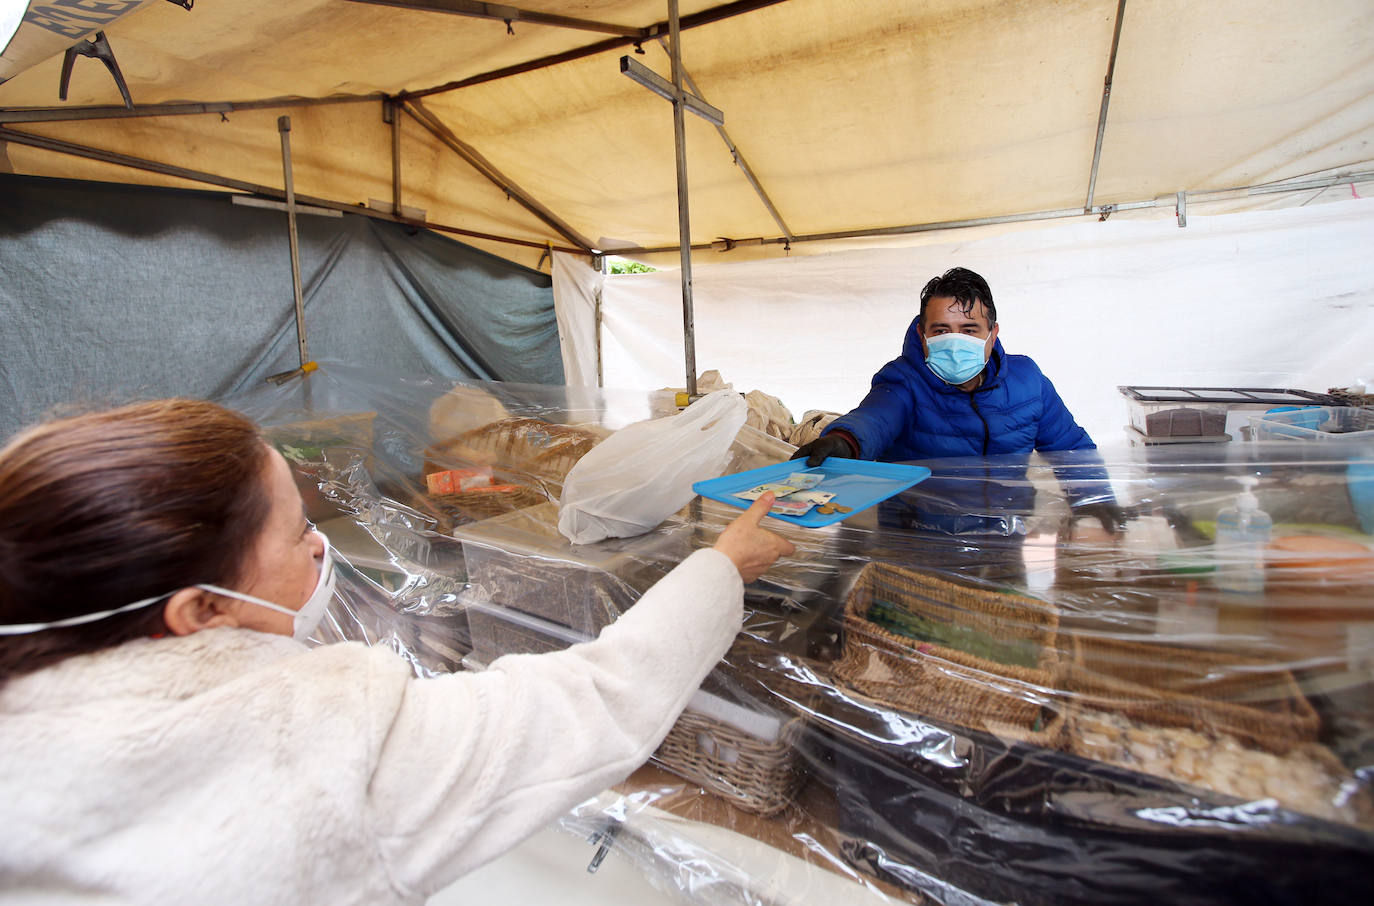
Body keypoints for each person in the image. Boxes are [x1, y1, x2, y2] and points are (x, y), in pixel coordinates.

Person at [0, 399, 794, 904]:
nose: (320, 548)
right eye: (293, 532)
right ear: (200, 610)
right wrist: (724, 563)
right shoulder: (312, 746)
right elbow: (599, 696)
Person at [794, 267, 1122, 533]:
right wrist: (844, 441)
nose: (954, 343)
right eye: (941, 331)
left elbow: (1070, 448)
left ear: (992, 334)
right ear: (922, 337)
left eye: (969, 330)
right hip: (918, 538)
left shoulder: (1028, 381)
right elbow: (876, 417)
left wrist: (1094, 498)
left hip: (1006, 538)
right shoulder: (904, 380)